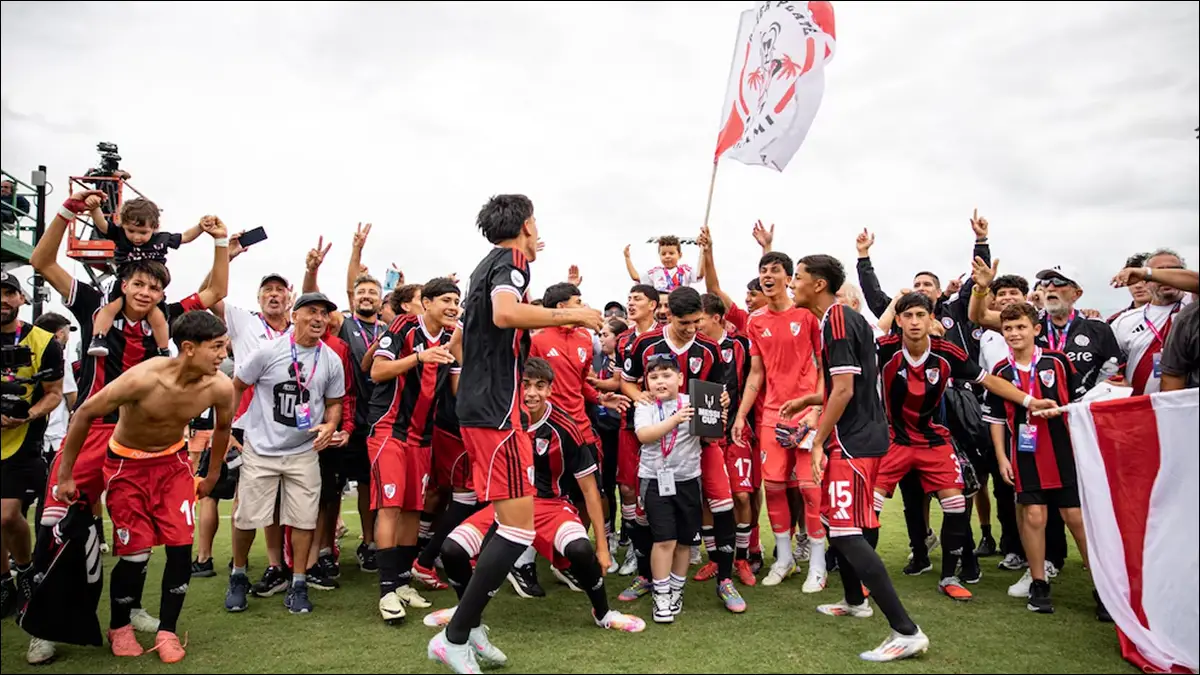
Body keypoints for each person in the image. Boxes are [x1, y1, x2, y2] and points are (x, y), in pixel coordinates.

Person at [29, 190, 229, 666]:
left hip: (143, 442)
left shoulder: (174, 322)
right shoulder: (95, 303)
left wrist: (220, 243)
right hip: (92, 429)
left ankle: (131, 610)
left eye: (153, 288)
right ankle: (42, 625)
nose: (145, 293)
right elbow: (41, 260)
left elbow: (216, 292)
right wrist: (64, 213)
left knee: (134, 541)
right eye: (138, 284)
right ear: (124, 281)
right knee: (56, 526)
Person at [427, 194, 602, 674]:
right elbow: (506, 313)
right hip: (497, 412)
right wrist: (574, 314)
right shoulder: (513, 260)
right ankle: (456, 635)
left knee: (511, 524)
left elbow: (487, 321)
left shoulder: (491, 261)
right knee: (518, 527)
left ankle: (471, 628)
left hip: (482, 409)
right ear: (526, 224)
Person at [53, 310, 234, 663]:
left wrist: (211, 475)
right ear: (188, 348)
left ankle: (168, 630)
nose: (223, 356)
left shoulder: (220, 386)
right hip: (126, 468)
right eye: (216, 347)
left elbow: (224, 429)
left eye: (224, 347)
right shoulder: (143, 378)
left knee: (181, 547)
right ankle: (119, 625)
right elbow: (85, 413)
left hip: (174, 466)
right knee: (134, 554)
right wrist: (65, 474)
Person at [427, 358, 645, 634]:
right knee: (452, 550)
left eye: (539, 386)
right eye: (525, 385)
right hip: (506, 505)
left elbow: (591, 489)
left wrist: (602, 546)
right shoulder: (499, 420)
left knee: (581, 550)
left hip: (551, 506)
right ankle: (466, 614)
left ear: (550, 390)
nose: (531, 393)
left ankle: (603, 612)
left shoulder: (565, 427)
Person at [866, 293, 1056, 602]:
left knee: (954, 504)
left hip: (934, 441)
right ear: (899, 321)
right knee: (869, 506)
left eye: (920, 315)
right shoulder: (884, 350)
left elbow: (989, 381)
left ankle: (949, 577)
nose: (914, 322)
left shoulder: (946, 352)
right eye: (908, 316)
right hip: (893, 440)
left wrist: (1029, 400)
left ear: (932, 320)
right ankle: (866, 577)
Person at [788, 254, 929, 662]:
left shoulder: (836, 318)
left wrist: (818, 441)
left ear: (818, 284)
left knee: (847, 533)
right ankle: (855, 601)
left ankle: (906, 630)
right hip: (863, 437)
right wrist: (810, 398)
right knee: (840, 525)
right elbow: (850, 384)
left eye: (798, 278)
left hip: (853, 443)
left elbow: (846, 390)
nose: (794, 284)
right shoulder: (841, 320)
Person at [619, 287, 740, 613]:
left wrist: (723, 403)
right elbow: (627, 381)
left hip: (699, 441)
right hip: (655, 442)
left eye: (697, 321)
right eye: (686, 322)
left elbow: (717, 395)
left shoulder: (711, 348)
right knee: (645, 513)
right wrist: (637, 395)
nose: (692, 328)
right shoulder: (645, 344)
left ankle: (725, 580)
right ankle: (647, 577)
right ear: (668, 314)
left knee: (722, 501)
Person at [225, 292, 347, 616]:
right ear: (295, 316)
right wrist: (230, 429)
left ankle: (298, 583)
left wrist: (330, 426)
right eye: (311, 312)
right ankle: (238, 576)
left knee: (304, 518)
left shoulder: (331, 359)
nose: (319, 318)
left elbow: (335, 404)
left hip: (303, 450)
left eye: (324, 313)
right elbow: (237, 384)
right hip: (261, 448)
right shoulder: (268, 351)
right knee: (247, 516)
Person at [981, 303, 1097, 616]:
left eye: (1020, 327)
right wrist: (1002, 457)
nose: (1014, 333)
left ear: (1035, 329)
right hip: (1025, 452)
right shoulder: (1001, 373)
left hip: (1062, 449)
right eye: (1008, 328)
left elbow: (1079, 403)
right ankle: (1038, 582)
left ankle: (1102, 586)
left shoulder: (1057, 361)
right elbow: (994, 419)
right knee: (1034, 515)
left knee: (1074, 517)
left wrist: (1059, 410)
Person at [515, 282, 625, 595]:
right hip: (543, 432)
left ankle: (563, 559)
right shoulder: (538, 339)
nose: (584, 305)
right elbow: (528, 386)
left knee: (587, 494)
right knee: (537, 496)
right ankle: (522, 561)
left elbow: (581, 384)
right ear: (562, 307)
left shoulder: (584, 339)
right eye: (579, 300)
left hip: (580, 428)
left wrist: (601, 399)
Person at [204, 237, 296, 597]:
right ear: (259, 298)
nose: (273, 295)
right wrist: (226, 256)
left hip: (289, 426)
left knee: (277, 503)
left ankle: (276, 566)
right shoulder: (243, 321)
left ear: (289, 297)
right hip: (247, 424)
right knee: (245, 502)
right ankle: (239, 572)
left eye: (279, 290)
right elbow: (206, 294)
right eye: (267, 290)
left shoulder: (298, 328)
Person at [366, 277, 461, 623]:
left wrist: (460, 351)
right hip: (390, 430)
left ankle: (403, 581)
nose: (452, 307)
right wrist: (419, 357)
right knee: (390, 507)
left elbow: (456, 389)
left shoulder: (452, 338)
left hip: (423, 437)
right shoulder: (405, 326)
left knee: (412, 509)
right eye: (446, 300)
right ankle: (386, 590)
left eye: (457, 301)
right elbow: (377, 370)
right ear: (428, 302)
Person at [731, 251, 824, 590]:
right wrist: (741, 415)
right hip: (772, 415)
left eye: (775, 270)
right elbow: (756, 373)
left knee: (810, 490)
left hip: (805, 415)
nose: (768, 276)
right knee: (773, 488)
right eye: (763, 270)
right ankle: (783, 559)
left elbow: (823, 368)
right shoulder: (755, 321)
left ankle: (818, 563)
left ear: (788, 277)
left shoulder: (808, 316)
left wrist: (815, 410)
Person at [0, 273, 64, 620]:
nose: (3, 300)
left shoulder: (42, 340)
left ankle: (24, 570)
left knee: (8, 515)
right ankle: (3, 584)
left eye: (9, 293)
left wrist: (28, 415)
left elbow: (54, 392)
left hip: (23, 440)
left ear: (22, 298)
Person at [632, 355, 708, 623]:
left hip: (688, 479)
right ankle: (661, 594)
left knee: (685, 541)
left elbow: (710, 435)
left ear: (680, 379)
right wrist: (675, 419)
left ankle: (677, 590)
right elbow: (644, 435)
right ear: (647, 383)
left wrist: (717, 412)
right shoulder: (644, 405)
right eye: (654, 377)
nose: (660, 381)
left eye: (666, 375)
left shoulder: (693, 402)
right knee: (664, 539)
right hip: (654, 479)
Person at [966, 261, 1032, 566]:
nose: (1007, 297)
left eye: (1014, 292)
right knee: (1004, 482)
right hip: (999, 417)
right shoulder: (991, 334)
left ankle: (1047, 554)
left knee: (1036, 488)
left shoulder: (1035, 326)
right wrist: (980, 288)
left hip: (1036, 415)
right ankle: (1013, 547)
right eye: (1001, 293)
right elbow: (976, 315)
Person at [86, 198, 211, 357]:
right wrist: (95, 208)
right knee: (111, 307)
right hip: (127, 281)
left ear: (154, 227)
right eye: (131, 231)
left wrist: (200, 227)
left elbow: (185, 237)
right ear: (122, 225)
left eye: (143, 233)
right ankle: (98, 338)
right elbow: (102, 225)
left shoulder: (162, 239)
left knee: (158, 316)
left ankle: (163, 349)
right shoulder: (119, 234)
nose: (136, 237)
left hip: (152, 282)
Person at [695, 293, 757, 587]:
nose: (696, 325)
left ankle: (742, 558)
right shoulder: (698, 349)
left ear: (716, 318)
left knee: (742, 495)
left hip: (738, 429)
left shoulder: (740, 345)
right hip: (707, 434)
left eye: (700, 319)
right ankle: (715, 559)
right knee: (709, 498)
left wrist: (743, 417)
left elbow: (753, 381)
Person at [1110, 249, 1195, 395]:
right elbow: (1111, 366)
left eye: (1174, 271)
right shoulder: (1124, 321)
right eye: (1159, 271)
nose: (1166, 277)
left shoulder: (1194, 309)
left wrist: (1149, 272)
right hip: (1143, 408)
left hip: (1190, 407)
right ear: (1144, 282)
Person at [31, 312, 78, 460]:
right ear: (60, 333)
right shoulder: (60, 360)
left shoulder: (29, 357)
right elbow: (72, 397)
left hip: (30, 431)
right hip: (56, 435)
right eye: (67, 332)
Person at [624, 235, 702, 293]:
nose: (667, 256)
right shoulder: (655, 272)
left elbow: (700, 274)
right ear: (659, 255)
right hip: (662, 309)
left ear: (680, 255)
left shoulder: (686, 270)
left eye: (671, 253)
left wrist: (704, 252)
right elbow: (636, 277)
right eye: (663, 254)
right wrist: (627, 258)